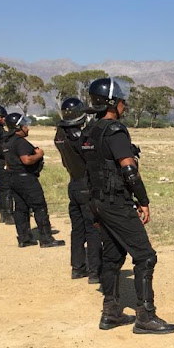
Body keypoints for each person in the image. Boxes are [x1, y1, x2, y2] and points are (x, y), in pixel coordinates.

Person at [82, 77, 174, 334]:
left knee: (113, 256)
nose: (124, 106)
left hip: (97, 201)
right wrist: (143, 201)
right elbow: (129, 171)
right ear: (113, 103)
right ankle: (145, 316)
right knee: (145, 256)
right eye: (122, 101)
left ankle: (110, 312)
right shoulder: (114, 131)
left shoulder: (89, 132)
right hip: (116, 203)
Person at [54, 97, 102, 283]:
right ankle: (94, 271)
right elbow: (90, 153)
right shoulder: (78, 136)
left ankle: (77, 268)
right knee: (93, 229)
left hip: (73, 184)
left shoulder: (59, 133)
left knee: (77, 230)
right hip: (85, 184)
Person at [2, 113, 65, 248]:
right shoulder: (20, 142)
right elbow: (26, 160)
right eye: (25, 126)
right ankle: (46, 239)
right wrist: (39, 154)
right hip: (26, 179)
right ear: (18, 127)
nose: (28, 128)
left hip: (13, 178)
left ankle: (24, 238)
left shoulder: (7, 142)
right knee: (39, 207)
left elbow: (7, 162)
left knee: (21, 209)